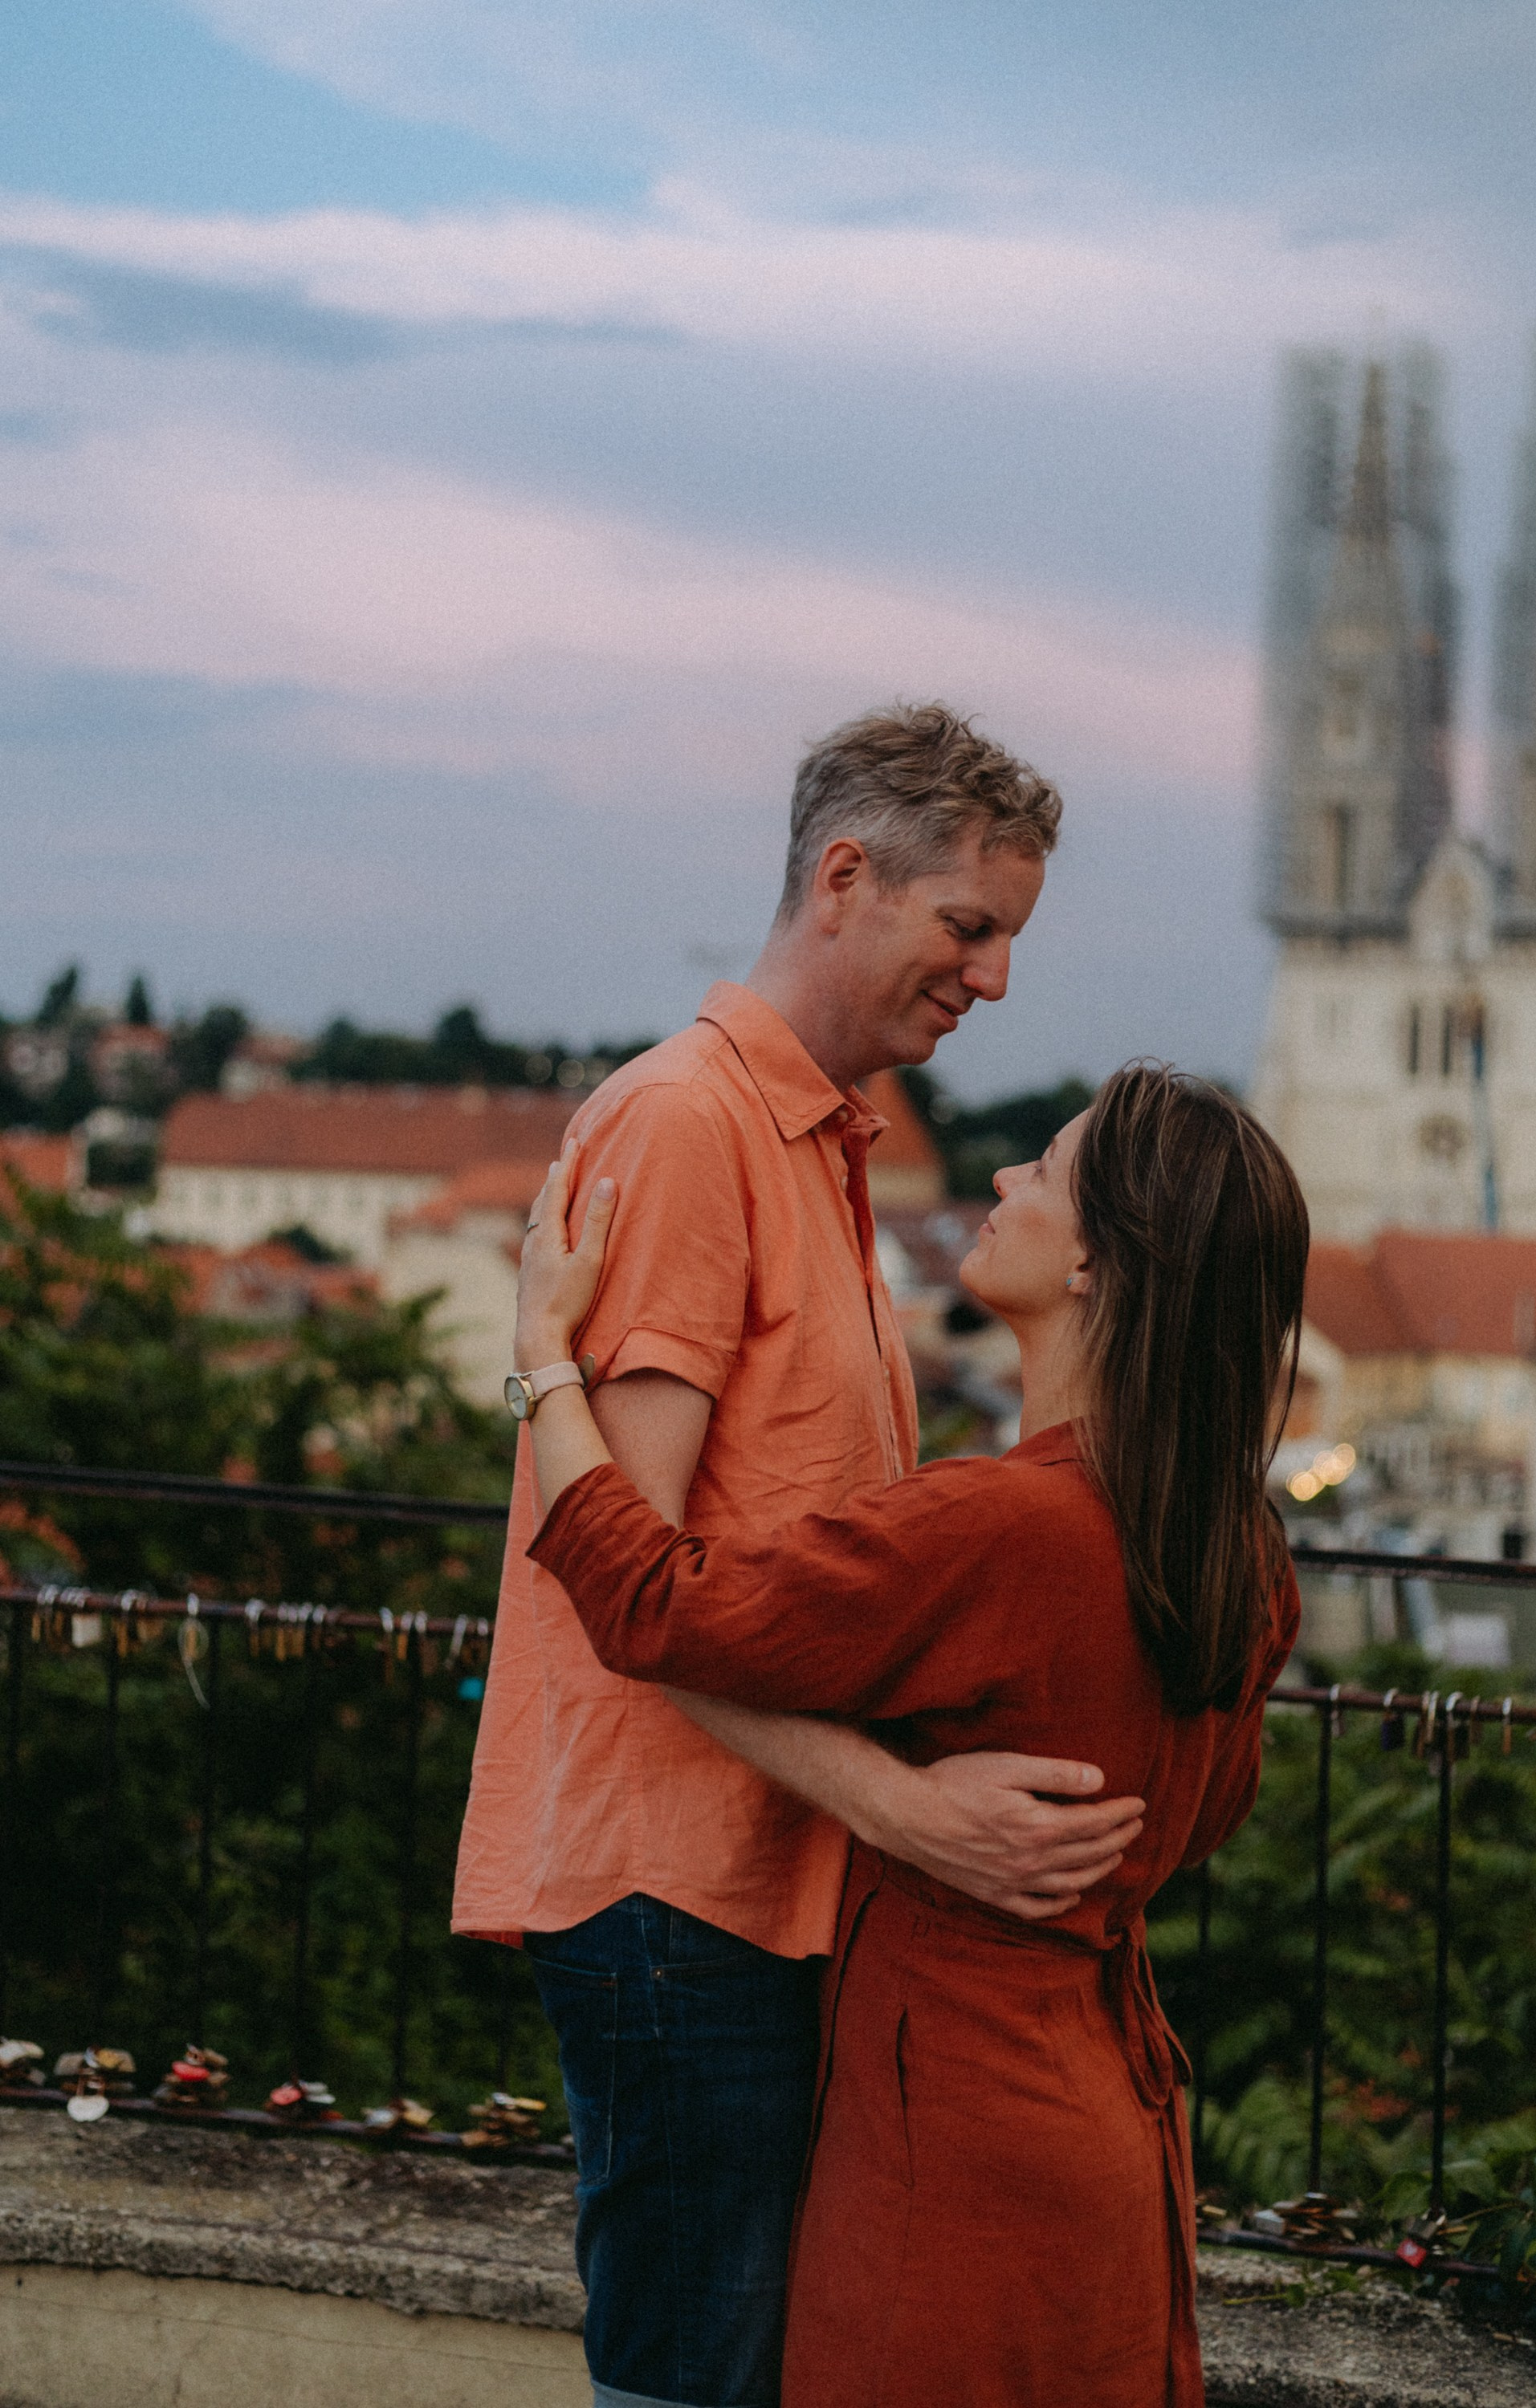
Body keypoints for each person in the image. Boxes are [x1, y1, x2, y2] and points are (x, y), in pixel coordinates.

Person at [452, 704, 1145, 2408]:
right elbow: (620, 1577)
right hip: (675, 1889)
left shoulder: (813, 1140)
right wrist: (910, 1812)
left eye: (1006, 938)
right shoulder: (689, 1126)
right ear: (845, 878)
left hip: (754, 1883)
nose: (992, 980)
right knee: (698, 2379)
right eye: (966, 926)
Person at [511, 1060, 1307, 2408]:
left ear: (1093, 1267)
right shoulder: (1239, 1549)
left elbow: (651, 1602)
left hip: (949, 2141)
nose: (1002, 1176)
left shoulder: (999, 1526)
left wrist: (543, 1357)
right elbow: (1207, 1810)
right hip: (1112, 2124)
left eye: (1042, 1169)